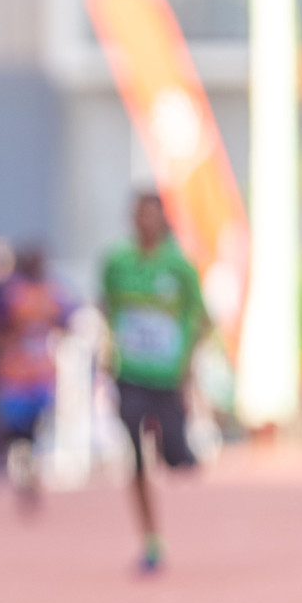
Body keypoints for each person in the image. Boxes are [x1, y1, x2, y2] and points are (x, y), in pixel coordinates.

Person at [101, 192, 208, 574]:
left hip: (167, 376)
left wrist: (187, 369)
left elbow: (199, 318)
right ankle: (150, 539)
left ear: (163, 220)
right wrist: (108, 349)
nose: (146, 222)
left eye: (152, 215)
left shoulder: (179, 266)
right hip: (130, 373)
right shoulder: (118, 262)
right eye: (139, 215)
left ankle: (170, 442)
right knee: (135, 456)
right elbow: (106, 305)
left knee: (179, 460)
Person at [0, 245, 72, 509]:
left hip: (41, 375)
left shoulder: (52, 290)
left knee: (36, 431)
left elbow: (67, 318)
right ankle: (24, 472)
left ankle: (30, 471)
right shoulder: (9, 293)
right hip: (14, 376)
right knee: (18, 434)